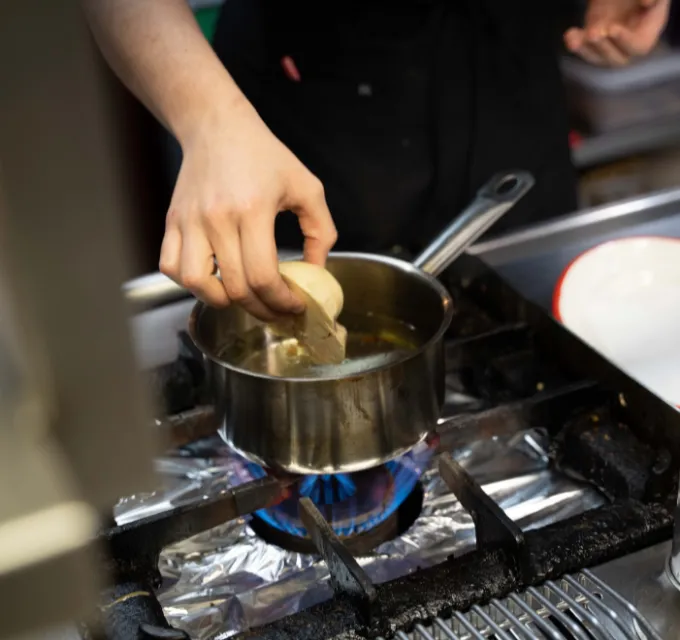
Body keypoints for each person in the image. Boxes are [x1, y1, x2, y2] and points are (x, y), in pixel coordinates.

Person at [84, 0, 669, 321]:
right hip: (294, 117)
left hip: (509, 94)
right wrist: (212, 125)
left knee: (526, 328)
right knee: (288, 297)